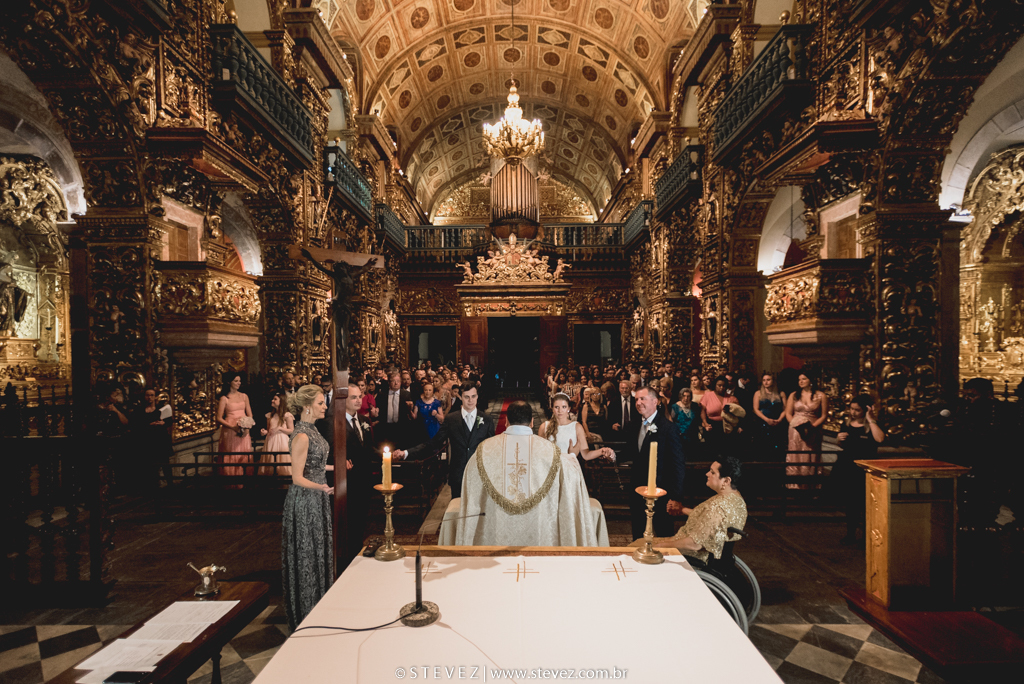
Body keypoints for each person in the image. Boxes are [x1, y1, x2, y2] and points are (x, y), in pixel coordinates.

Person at [454, 400, 606, 546]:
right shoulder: (552, 452)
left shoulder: (483, 451)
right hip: (541, 542)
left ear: (506, 421)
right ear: (532, 422)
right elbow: (572, 476)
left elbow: (471, 489)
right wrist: (572, 456)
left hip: (494, 541)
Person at [282, 384, 333, 630]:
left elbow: (316, 465)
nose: (325, 406)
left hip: (317, 496)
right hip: (305, 500)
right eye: (321, 403)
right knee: (307, 553)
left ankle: (320, 605)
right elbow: (297, 477)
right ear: (307, 407)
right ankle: (307, 612)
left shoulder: (312, 430)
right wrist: (321, 487)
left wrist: (336, 469)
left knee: (317, 549)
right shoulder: (301, 435)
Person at [633, 457, 747, 564]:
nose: (707, 474)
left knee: (637, 548)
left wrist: (665, 545)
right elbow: (708, 520)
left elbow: (694, 544)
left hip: (694, 556)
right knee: (640, 543)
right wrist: (682, 509)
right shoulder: (736, 499)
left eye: (712, 472)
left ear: (726, 481)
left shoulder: (717, 507)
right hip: (702, 550)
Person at [394, 381, 495, 499]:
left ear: (477, 397)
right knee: (457, 512)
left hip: (479, 475)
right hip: (458, 476)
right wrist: (406, 452)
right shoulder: (451, 419)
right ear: (461, 397)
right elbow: (433, 443)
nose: (470, 400)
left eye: (473, 396)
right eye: (467, 397)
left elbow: (492, 449)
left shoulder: (486, 420)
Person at [627, 386, 687, 539]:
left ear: (655, 401)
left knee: (664, 534)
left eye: (642, 399)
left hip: (661, 492)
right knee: (638, 535)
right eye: (636, 400)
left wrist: (676, 496)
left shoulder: (669, 428)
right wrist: (611, 454)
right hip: (637, 490)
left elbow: (678, 464)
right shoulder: (634, 425)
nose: (638, 403)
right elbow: (631, 453)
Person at [831, 394, 884, 544]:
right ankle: (850, 533)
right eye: (851, 409)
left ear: (865, 410)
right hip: (848, 466)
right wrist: (838, 440)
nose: (853, 413)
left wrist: (870, 419)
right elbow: (842, 445)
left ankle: (867, 535)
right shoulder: (846, 424)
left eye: (857, 410)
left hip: (865, 468)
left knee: (867, 503)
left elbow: (880, 439)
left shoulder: (872, 426)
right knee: (851, 502)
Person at [343, 381, 374, 563]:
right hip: (347, 480)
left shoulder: (363, 421)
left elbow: (369, 449)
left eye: (359, 396)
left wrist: (391, 455)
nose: (358, 400)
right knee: (349, 522)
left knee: (362, 519)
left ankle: (357, 553)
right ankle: (348, 557)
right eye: (353, 397)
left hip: (364, 479)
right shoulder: (336, 422)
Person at [541, 393, 615, 464]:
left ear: (569, 409)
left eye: (564, 407)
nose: (560, 410)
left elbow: (586, 455)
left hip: (570, 468)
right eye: (557, 407)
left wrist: (602, 451)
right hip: (550, 469)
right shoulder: (544, 427)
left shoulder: (576, 427)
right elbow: (540, 454)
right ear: (553, 408)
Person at [785, 371, 828, 489]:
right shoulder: (794, 395)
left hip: (813, 428)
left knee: (811, 454)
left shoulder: (821, 396)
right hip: (795, 430)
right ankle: (795, 485)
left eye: (804, 379)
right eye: (799, 379)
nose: (801, 381)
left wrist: (812, 427)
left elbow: (823, 415)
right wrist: (795, 425)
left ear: (811, 380)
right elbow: (788, 414)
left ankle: (811, 485)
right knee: (796, 455)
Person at [216, 372, 253, 487]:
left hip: (244, 429)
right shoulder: (224, 398)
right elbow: (218, 418)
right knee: (231, 455)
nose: (239, 383)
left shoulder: (244, 396)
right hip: (230, 430)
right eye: (236, 381)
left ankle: (244, 482)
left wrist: (247, 426)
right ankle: (231, 483)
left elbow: (250, 414)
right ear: (229, 382)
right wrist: (232, 427)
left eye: (239, 381)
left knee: (243, 454)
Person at [131, 388, 172, 489]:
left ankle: (171, 485)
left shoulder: (161, 409)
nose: (149, 397)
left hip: (160, 440)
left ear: (155, 397)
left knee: (165, 463)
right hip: (147, 440)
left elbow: (169, 421)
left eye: (152, 395)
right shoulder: (139, 410)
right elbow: (135, 425)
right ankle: (152, 486)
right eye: (147, 395)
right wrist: (149, 424)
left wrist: (163, 423)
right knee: (150, 465)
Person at [752, 371, 787, 459]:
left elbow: (785, 409)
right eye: (764, 380)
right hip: (762, 423)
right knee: (762, 447)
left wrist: (779, 419)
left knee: (776, 448)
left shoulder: (781, 393)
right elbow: (756, 409)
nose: (766, 382)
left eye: (768, 380)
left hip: (777, 423)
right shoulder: (758, 393)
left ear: (773, 381)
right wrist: (766, 419)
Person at [375, 370, 415, 448]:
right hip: (386, 427)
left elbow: (409, 411)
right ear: (389, 383)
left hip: (401, 427)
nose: (396, 383)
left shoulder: (406, 395)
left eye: (398, 381)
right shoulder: (382, 394)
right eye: (393, 381)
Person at [700, 375, 738, 454]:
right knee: (714, 452)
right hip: (712, 426)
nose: (721, 388)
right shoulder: (708, 396)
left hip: (727, 426)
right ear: (715, 385)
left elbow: (737, 413)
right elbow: (702, 411)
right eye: (719, 385)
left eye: (724, 386)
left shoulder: (731, 398)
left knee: (727, 452)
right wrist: (705, 423)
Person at [259, 393, 294, 476]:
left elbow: (291, 430)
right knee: (270, 462)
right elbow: (269, 430)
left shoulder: (287, 415)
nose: (272, 401)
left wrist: (280, 428)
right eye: (273, 399)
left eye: (275, 399)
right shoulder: (270, 415)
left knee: (281, 462)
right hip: (270, 441)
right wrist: (264, 432)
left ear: (281, 401)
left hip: (282, 441)